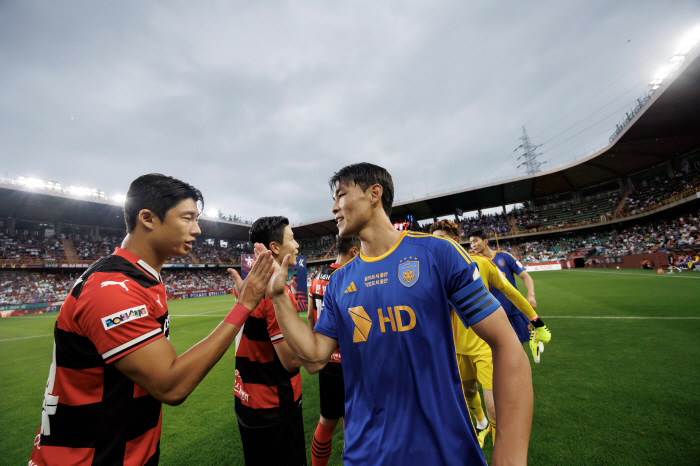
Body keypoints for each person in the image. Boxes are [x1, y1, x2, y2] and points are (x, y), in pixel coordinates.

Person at [262, 163, 533, 466]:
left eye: (341, 195)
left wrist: (510, 456)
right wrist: (278, 298)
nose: (334, 207)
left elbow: (506, 343)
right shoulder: (339, 281)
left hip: (444, 451)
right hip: (366, 455)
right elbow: (313, 358)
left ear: (374, 193)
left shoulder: (438, 254)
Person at [29, 174, 275, 466]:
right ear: (147, 218)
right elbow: (171, 385)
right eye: (187, 218)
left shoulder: (140, 277)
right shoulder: (112, 289)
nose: (197, 229)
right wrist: (245, 305)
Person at [430, 220, 548, 448]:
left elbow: (511, 292)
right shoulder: (431, 272)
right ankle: (481, 423)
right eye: (433, 241)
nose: (436, 245)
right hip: (454, 349)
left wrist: (537, 322)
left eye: (441, 240)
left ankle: (500, 451)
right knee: (467, 391)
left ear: (454, 242)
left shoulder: (481, 264)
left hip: (484, 347)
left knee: (494, 407)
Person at [234, 216, 306, 466]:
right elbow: (292, 362)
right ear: (275, 247)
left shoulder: (249, 285)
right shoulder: (275, 292)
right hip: (275, 407)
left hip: (247, 401)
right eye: (292, 238)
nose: (297, 245)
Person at [307, 235, 361, 466]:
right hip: (351, 360)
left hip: (326, 359)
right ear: (355, 251)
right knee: (354, 420)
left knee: (326, 420)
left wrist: (319, 343)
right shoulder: (351, 275)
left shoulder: (317, 276)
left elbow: (311, 316)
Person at [468, 230, 549, 358]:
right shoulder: (472, 262)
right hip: (492, 314)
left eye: (475, 241)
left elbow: (526, 277)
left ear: (485, 241)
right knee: (498, 352)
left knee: (518, 351)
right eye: (471, 242)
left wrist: (531, 295)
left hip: (513, 310)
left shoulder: (504, 257)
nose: (473, 245)